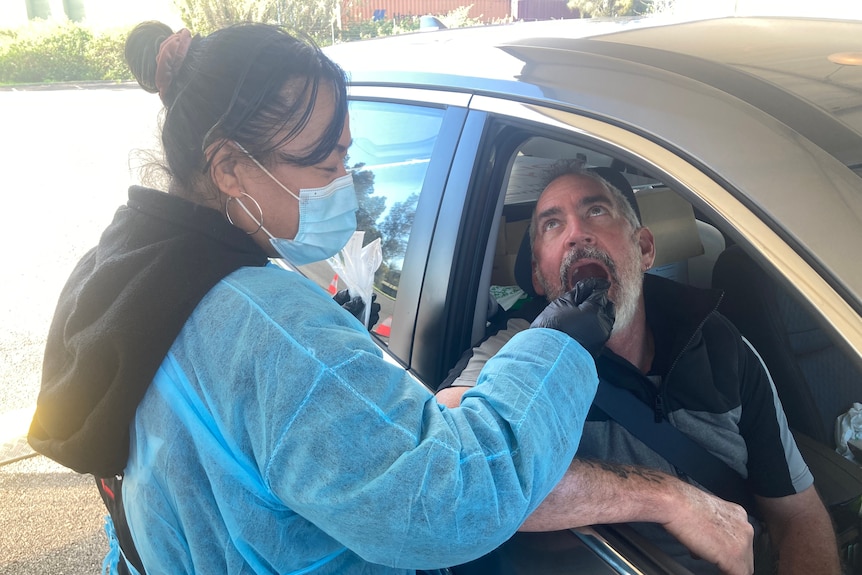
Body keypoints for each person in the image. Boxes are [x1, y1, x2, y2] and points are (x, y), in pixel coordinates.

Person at [25, 21, 636, 575]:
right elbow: (454, 498)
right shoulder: (267, 329)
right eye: (327, 164)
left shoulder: (128, 274)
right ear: (231, 168)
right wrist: (553, 342)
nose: (350, 185)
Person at [437, 166, 842, 574]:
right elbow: (447, 467)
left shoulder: (722, 347)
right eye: (552, 224)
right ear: (539, 277)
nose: (576, 233)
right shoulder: (510, 352)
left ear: (645, 249)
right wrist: (668, 499)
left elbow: (797, 514)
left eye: (596, 211)